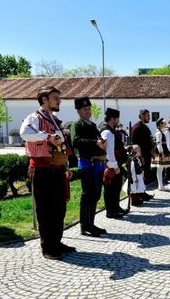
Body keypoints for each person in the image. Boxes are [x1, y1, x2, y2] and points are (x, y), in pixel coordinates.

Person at [20, 86, 76, 260]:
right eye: (55, 97)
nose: (59, 101)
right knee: (45, 209)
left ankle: (56, 242)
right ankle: (47, 247)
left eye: (58, 97)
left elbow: (62, 147)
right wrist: (47, 137)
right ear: (44, 99)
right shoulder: (34, 118)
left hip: (58, 170)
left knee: (59, 208)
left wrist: (66, 166)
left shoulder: (55, 120)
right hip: (42, 170)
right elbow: (25, 133)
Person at [70, 97, 108, 237]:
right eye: (85, 109)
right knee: (87, 195)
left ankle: (91, 223)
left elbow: (99, 142)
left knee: (96, 194)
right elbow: (75, 141)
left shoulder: (92, 125)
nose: (88, 111)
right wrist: (95, 143)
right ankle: (84, 226)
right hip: (87, 163)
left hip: (98, 164)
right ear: (79, 111)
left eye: (89, 109)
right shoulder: (77, 125)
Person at [100, 108, 128, 219]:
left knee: (116, 187)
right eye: (117, 119)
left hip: (115, 163)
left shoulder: (112, 130)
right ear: (112, 119)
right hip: (111, 165)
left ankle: (116, 207)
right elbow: (109, 151)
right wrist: (115, 166)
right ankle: (110, 211)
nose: (118, 121)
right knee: (110, 189)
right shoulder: (107, 131)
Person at [131, 109, 154, 199]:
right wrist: (140, 157)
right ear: (141, 116)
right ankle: (139, 194)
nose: (149, 117)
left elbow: (148, 141)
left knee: (145, 175)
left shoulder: (145, 127)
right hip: (141, 156)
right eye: (147, 115)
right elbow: (134, 144)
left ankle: (142, 192)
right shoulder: (136, 128)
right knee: (140, 175)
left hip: (147, 154)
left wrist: (151, 152)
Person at [153, 118, 170, 191]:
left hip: (162, 152)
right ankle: (160, 185)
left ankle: (161, 185)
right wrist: (162, 153)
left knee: (161, 169)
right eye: (164, 123)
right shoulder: (159, 133)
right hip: (160, 152)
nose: (165, 124)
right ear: (160, 124)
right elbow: (158, 144)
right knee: (160, 168)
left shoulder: (161, 132)